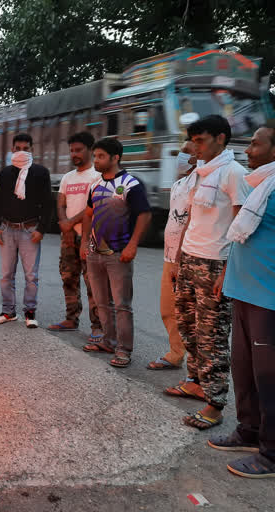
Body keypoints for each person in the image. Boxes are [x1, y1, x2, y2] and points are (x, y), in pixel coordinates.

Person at [165, 115, 251, 430]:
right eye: (194, 141)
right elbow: (191, 219)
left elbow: (243, 227)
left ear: (220, 139)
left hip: (216, 263)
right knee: (187, 327)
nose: (195, 148)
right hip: (190, 258)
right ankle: (195, 381)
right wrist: (177, 259)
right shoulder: (203, 173)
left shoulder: (233, 173)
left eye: (201, 141)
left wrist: (228, 269)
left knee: (212, 336)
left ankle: (215, 404)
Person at [209, 123, 275, 478]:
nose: (248, 150)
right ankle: (249, 431)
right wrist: (227, 276)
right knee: (244, 369)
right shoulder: (260, 186)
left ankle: (272, 453)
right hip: (245, 292)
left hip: (269, 297)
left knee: (269, 377)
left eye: (255, 144)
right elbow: (241, 236)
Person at [80, 137, 151, 369]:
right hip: (94, 253)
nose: (96, 161)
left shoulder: (131, 184)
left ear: (115, 158)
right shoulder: (94, 185)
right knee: (101, 302)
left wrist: (132, 245)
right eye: (95, 156)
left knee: (122, 304)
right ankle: (108, 342)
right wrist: (84, 243)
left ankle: (124, 349)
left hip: (118, 253)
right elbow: (88, 214)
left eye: (100, 156)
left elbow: (144, 215)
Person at [0, 133, 52, 328]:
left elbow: (48, 204)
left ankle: (30, 312)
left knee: (31, 276)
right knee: (6, 275)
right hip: (7, 228)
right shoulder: (6, 173)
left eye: (25, 148)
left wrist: (41, 229)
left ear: (32, 149)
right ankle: (8, 312)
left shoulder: (41, 173)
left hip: (30, 229)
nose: (21, 152)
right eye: (17, 148)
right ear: (12, 149)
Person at [146, 139, 197, 370]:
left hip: (188, 257)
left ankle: (194, 369)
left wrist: (180, 258)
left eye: (187, 152)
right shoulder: (179, 184)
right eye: (181, 152)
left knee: (191, 314)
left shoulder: (203, 184)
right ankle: (176, 352)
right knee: (167, 309)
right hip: (170, 256)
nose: (181, 156)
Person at [48, 132, 103, 340]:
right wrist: (66, 227)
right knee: (68, 277)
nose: (74, 154)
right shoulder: (67, 177)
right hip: (68, 236)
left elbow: (95, 207)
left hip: (90, 236)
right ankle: (71, 319)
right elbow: (61, 203)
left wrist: (70, 223)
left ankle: (98, 326)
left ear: (90, 150)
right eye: (71, 150)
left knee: (93, 282)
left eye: (78, 150)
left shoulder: (97, 176)